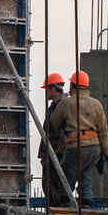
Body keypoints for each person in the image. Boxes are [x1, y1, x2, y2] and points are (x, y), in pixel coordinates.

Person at [50, 71, 108, 207]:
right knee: (85, 184)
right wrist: (105, 153)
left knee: (66, 182)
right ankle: (86, 211)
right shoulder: (96, 104)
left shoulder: (67, 103)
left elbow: (54, 122)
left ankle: (68, 211)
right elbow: (103, 132)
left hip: (76, 148)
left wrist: (59, 107)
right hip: (94, 149)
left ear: (72, 85)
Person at [39, 73, 68, 206]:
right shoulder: (53, 107)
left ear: (53, 89)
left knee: (55, 186)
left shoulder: (64, 105)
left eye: (46, 89)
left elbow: (65, 132)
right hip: (50, 152)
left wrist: (59, 153)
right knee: (48, 186)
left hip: (56, 152)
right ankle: (53, 211)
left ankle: (56, 213)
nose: (45, 93)